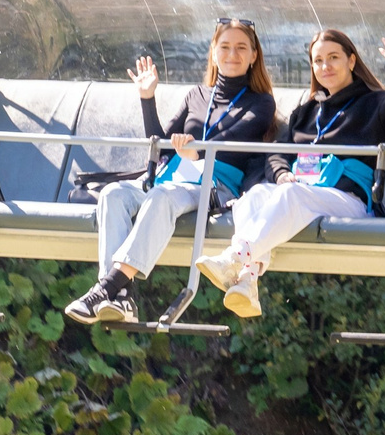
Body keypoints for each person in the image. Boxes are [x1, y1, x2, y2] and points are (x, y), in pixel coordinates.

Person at [195, 27, 385, 319]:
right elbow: (277, 154)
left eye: (333, 58)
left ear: (352, 61)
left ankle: (234, 258)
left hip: (347, 200)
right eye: (318, 61)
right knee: (255, 194)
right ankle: (247, 281)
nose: (325, 66)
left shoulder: (376, 103)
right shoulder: (306, 112)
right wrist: (282, 175)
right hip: (302, 194)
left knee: (291, 194)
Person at [65, 19, 277, 325]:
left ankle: (105, 289)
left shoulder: (262, 103)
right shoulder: (197, 96)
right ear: (214, 53)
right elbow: (161, 146)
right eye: (225, 47)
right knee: (114, 194)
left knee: (163, 196)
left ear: (254, 56)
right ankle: (121, 298)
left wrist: (197, 151)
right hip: (172, 179)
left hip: (214, 185)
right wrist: (147, 98)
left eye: (241, 47)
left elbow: (238, 138)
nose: (232, 54)